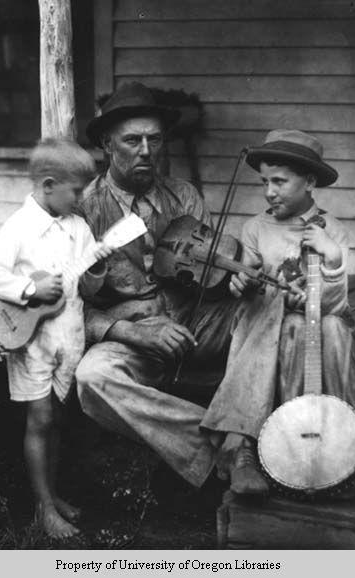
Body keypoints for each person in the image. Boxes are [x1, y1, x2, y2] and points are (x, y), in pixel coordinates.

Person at [76, 82, 240, 488]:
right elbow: (67, 304)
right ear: (107, 145)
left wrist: (233, 275)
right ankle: (221, 448)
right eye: (133, 140)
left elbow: (206, 282)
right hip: (130, 335)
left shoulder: (183, 196)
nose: (146, 151)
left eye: (155, 139)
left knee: (267, 313)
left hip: (192, 321)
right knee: (92, 379)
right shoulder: (83, 209)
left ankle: (267, 439)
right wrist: (130, 331)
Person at [201, 129, 355, 494]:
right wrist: (240, 284)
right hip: (265, 328)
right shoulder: (255, 228)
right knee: (280, 316)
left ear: (310, 181)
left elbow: (337, 306)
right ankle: (262, 449)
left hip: (320, 325)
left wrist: (333, 257)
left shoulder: (332, 231)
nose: (269, 191)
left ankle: (343, 449)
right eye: (265, 181)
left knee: (333, 330)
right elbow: (247, 279)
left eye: (279, 181)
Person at [0, 139, 113, 538]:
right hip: (31, 339)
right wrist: (29, 292)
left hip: (68, 338)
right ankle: (42, 507)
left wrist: (97, 269)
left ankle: (52, 497)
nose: (81, 199)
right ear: (49, 184)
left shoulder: (79, 227)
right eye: (76, 191)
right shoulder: (19, 227)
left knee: (56, 421)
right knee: (40, 420)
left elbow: (87, 288)